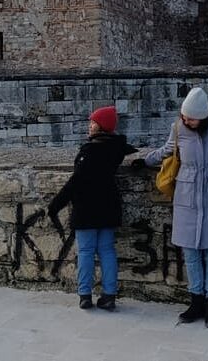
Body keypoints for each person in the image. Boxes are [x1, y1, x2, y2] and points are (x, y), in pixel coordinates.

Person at [139, 87, 208, 328]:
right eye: (184, 116)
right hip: (187, 193)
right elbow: (168, 150)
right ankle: (196, 300)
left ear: (202, 116)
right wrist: (145, 160)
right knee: (190, 252)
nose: (186, 121)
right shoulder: (178, 128)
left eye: (191, 118)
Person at [48, 105, 137, 311]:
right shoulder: (116, 149)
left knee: (86, 251)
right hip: (108, 204)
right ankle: (109, 295)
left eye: (93, 122)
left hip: (87, 207)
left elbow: (76, 181)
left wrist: (56, 205)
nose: (89, 126)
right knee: (107, 251)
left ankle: (85, 295)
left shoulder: (90, 151)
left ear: (101, 126)